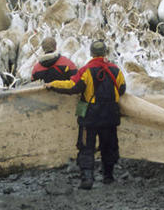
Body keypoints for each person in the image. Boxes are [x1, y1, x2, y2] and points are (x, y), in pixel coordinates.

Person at [47, 40, 126, 190]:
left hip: (90, 117)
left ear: (91, 53)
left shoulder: (86, 70)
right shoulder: (116, 70)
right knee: (109, 146)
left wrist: (53, 85)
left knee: (86, 147)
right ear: (105, 53)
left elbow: (73, 86)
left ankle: (87, 179)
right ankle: (108, 177)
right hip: (110, 116)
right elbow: (122, 89)